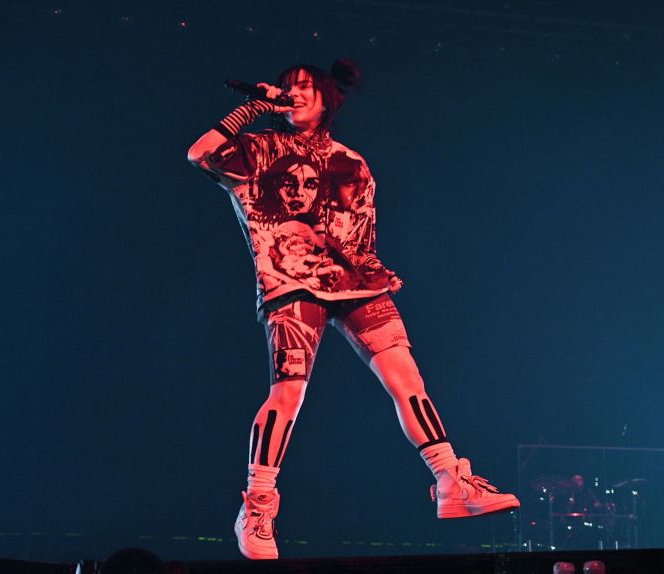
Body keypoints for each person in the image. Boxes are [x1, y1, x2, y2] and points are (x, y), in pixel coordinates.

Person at [186, 59, 519, 560]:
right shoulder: (259, 149)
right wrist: (253, 108)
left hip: (355, 284)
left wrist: (375, 269)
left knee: (407, 377)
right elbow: (200, 153)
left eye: (305, 87)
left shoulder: (352, 163)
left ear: (328, 99)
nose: (295, 94)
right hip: (290, 282)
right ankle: (257, 504)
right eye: (289, 87)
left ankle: (451, 479)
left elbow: (359, 236)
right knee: (289, 393)